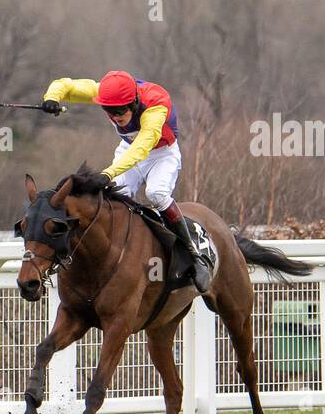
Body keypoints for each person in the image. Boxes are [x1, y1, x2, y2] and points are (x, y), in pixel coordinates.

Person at [41, 70, 210, 292]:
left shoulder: (156, 105)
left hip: (161, 154)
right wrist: (51, 98)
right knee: (117, 200)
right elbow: (66, 85)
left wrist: (109, 173)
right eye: (109, 111)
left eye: (120, 111)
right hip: (128, 149)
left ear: (135, 102)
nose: (115, 116)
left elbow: (141, 148)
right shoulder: (105, 92)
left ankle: (194, 255)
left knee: (156, 194)